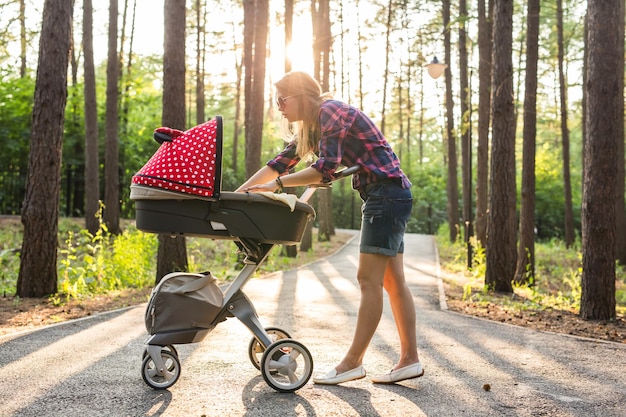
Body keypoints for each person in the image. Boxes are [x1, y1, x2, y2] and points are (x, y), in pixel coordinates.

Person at [236, 71, 423, 385]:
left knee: (368, 279)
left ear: (301, 96)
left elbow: (324, 168)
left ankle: (352, 362)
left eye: (283, 99)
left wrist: (277, 186)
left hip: (385, 196)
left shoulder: (329, 110)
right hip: (389, 195)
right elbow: (280, 162)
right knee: (392, 280)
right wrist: (241, 194)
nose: (279, 107)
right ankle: (409, 359)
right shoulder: (314, 125)